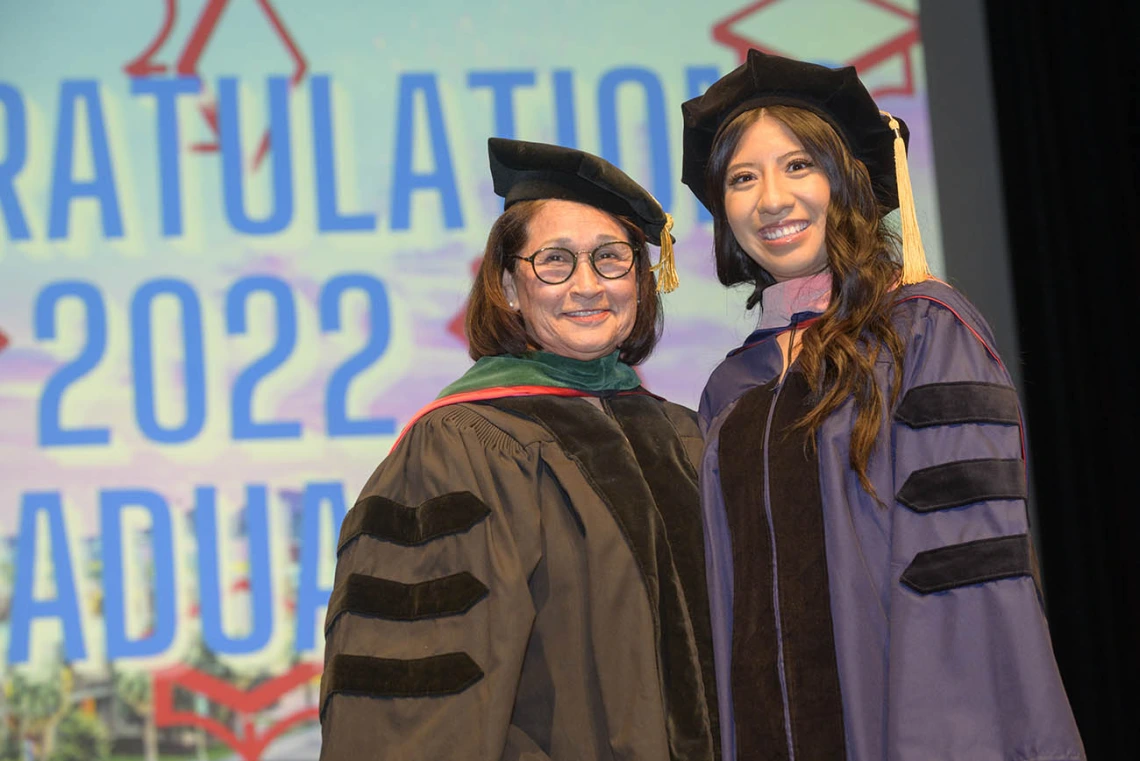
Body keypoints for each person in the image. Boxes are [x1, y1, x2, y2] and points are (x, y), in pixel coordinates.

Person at [680, 50, 1084, 761]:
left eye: (799, 165)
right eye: (743, 178)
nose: (771, 198)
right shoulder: (731, 386)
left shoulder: (924, 332)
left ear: (850, 179)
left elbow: (966, 585)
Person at [319, 137, 718, 761]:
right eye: (554, 261)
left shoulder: (687, 437)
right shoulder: (458, 448)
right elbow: (420, 701)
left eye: (611, 258)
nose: (587, 285)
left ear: (640, 283)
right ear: (508, 285)